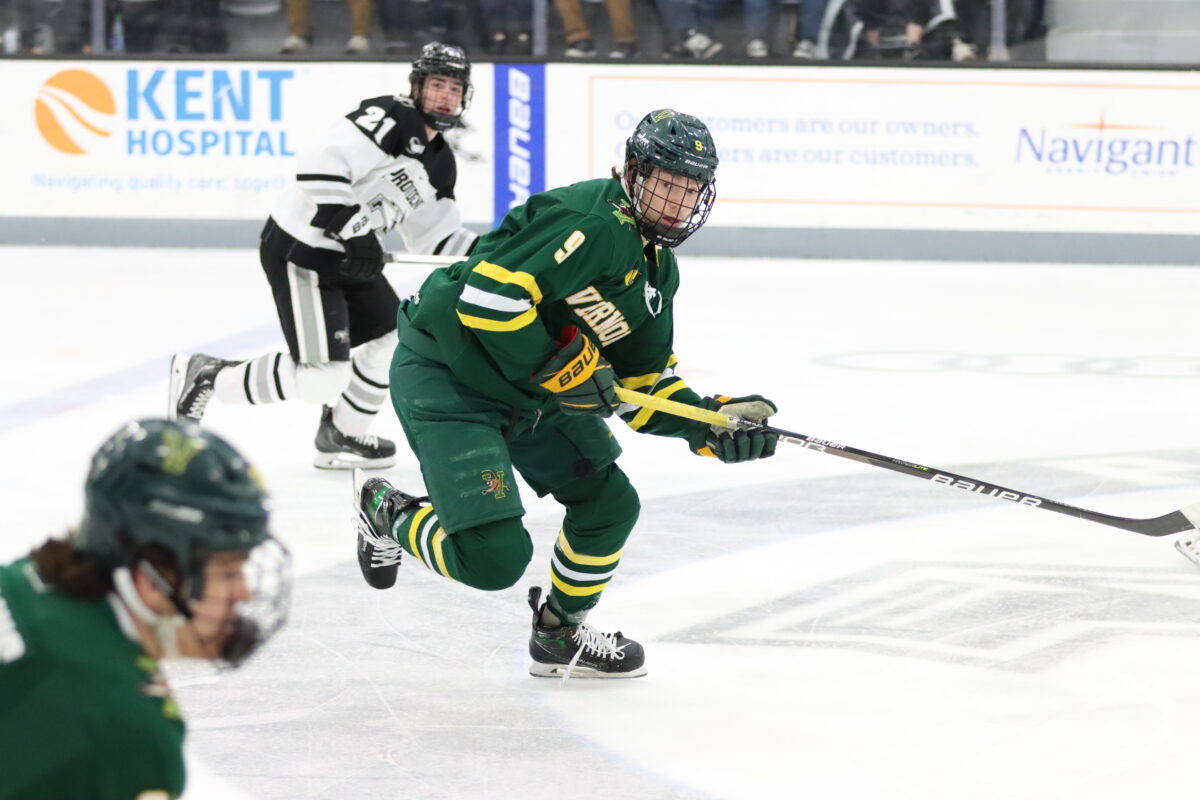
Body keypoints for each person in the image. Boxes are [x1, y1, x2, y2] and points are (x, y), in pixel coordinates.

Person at [352, 109, 779, 679]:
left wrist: (709, 423)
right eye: (667, 184)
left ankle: (558, 633)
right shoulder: (593, 222)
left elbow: (639, 385)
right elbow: (489, 300)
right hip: (452, 375)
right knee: (492, 560)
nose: (677, 203)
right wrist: (564, 372)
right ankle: (386, 509)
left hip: (530, 393)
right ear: (634, 172)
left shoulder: (658, 271)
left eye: (691, 188)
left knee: (610, 505)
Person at [169, 42, 479, 471]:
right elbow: (318, 166)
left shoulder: (441, 163)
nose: (445, 95)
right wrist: (357, 231)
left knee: (395, 334)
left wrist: (499, 254)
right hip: (304, 251)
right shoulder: (386, 117)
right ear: (417, 86)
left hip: (352, 258)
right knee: (320, 378)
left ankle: (343, 433)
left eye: (454, 87)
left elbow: (437, 240)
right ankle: (208, 376)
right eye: (436, 84)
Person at [0, 418, 291, 799]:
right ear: (153, 577)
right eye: (227, 570)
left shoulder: (23, 580)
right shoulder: (130, 738)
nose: (245, 593)